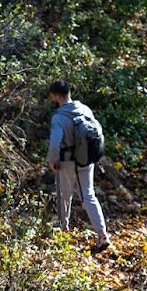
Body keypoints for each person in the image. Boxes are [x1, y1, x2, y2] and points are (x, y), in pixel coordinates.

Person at [47, 80, 110, 254]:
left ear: (56, 96)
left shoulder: (59, 118)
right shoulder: (84, 109)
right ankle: (102, 234)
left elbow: (54, 144)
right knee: (89, 195)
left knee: (66, 194)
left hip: (68, 162)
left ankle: (65, 227)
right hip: (88, 160)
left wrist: (53, 161)